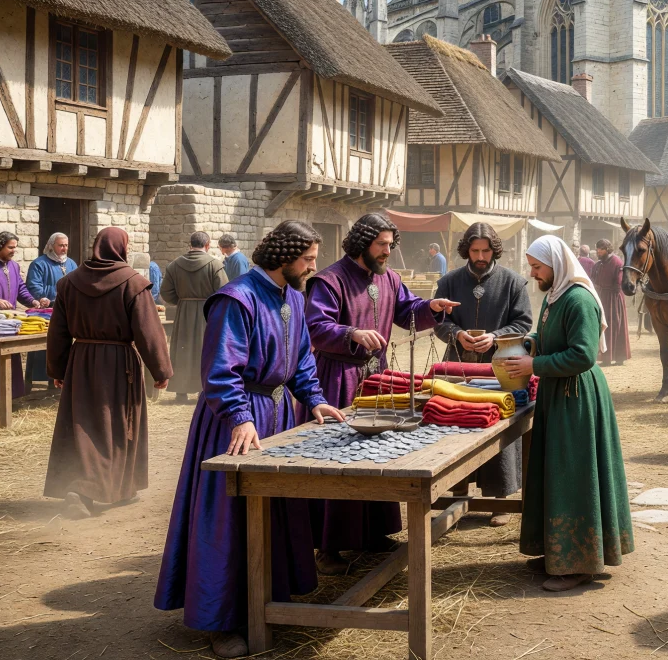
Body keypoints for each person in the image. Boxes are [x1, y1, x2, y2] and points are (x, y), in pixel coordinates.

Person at [155, 221, 346, 659]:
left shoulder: (294, 298)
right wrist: (240, 417)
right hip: (234, 421)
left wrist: (313, 399)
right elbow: (221, 369)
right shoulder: (236, 298)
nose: (312, 268)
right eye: (308, 260)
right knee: (228, 519)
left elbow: (300, 361)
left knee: (275, 510)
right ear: (285, 258)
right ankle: (222, 621)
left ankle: (269, 602)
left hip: (278, 417)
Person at [305, 213, 458, 573]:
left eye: (391, 245)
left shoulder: (388, 278)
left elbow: (406, 311)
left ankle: (372, 533)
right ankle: (328, 546)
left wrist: (430, 308)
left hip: (378, 375)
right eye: (382, 245)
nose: (388, 251)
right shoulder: (329, 280)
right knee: (338, 459)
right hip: (338, 377)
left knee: (377, 453)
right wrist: (351, 333)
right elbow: (314, 325)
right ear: (362, 243)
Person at [500, 235, 634, 592]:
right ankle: (558, 552)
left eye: (537, 267)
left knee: (574, 476)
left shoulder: (578, 299)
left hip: (577, 397)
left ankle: (579, 564)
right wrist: (530, 342)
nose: (533, 273)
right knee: (556, 472)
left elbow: (582, 355)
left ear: (555, 265)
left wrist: (534, 362)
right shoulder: (553, 297)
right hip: (558, 395)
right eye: (531, 266)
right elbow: (551, 336)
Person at [43, 227, 171, 519]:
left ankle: (117, 489)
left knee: (84, 424)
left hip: (81, 361)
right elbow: (148, 332)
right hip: (118, 363)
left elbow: (58, 332)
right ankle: (86, 489)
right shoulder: (134, 283)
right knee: (115, 425)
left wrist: (58, 368)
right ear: (121, 248)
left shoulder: (69, 282)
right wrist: (160, 369)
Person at [433, 223, 533, 525]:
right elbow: (438, 321)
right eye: (475, 250)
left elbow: (523, 321)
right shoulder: (449, 281)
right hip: (458, 367)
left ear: (494, 250)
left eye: (485, 250)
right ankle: (457, 491)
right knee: (458, 423)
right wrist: (458, 333)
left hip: (500, 367)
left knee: (499, 425)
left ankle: (499, 498)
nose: (480, 256)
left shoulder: (513, 282)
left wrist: (496, 337)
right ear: (467, 249)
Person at [0, 232, 48, 406]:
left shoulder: (14, 266)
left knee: (10, 358)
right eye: (10, 247)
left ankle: (8, 399)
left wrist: (32, 301)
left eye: (15, 247)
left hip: (8, 322)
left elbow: (20, 288)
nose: (14, 251)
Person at [161, 232, 228, 402]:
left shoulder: (174, 265)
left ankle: (180, 392)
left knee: (182, 350)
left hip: (183, 312)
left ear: (190, 244)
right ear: (208, 245)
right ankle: (203, 389)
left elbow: (166, 293)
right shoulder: (215, 265)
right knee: (204, 349)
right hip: (208, 313)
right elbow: (224, 291)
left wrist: (182, 301)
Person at [25, 232, 77, 385]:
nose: (64, 248)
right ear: (51, 245)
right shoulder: (39, 264)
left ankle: (57, 381)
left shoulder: (71, 264)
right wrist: (44, 296)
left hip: (67, 311)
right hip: (47, 312)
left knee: (62, 345)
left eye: (66, 245)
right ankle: (34, 380)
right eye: (61, 245)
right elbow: (33, 285)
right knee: (43, 347)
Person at [591, 239, 630, 365]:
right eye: (597, 249)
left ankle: (619, 357)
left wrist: (607, 292)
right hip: (602, 297)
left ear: (608, 249)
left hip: (614, 299)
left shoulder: (617, 262)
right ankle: (606, 357)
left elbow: (618, 283)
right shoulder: (599, 264)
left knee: (616, 326)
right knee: (604, 327)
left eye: (601, 249)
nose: (598, 251)